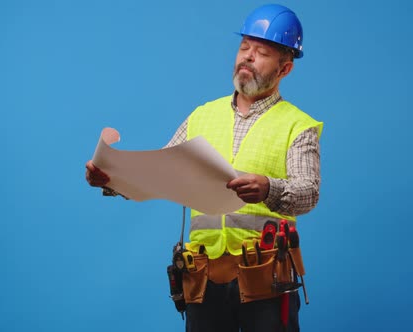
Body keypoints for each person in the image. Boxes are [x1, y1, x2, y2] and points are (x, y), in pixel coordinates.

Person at [85, 4, 322, 331]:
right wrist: (110, 180)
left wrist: (269, 188)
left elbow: (308, 194)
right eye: (244, 47)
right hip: (203, 279)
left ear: (285, 69)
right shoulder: (201, 117)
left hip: (267, 280)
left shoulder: (298, 126)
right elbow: (159, 175)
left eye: (262, 52)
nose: (248, 57)